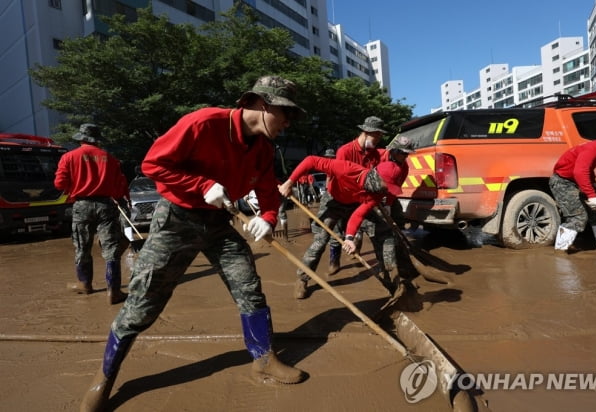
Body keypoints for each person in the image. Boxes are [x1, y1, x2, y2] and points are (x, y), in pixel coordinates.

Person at [80, 75, 307, 412]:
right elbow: (152, 164)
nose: (287, 123)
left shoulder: (262, 149)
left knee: (249, 287)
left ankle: (263, 358)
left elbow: (270, 194)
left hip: (219, 224)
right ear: (262, 104)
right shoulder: (204, 123)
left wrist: (268, 218)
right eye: (285, 114)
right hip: (176, 220)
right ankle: (105, 376)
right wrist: (201, 184)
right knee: (143, 303)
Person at [279, 155, 405, 299]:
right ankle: (302, 279)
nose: (387, 191)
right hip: (334, 200)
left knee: (384, 233)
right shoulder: (347, 169)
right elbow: (310, 160)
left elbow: (358, 215)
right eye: (387, 186)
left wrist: (349, 238)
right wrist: (290, 182)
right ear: (377, 178)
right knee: (321, 239)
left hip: (355, 204)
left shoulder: (376, 192)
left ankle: (391, 279)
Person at [54, 123, 130, 305]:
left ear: (81, 138)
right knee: (111, 248)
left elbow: (59, 184)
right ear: (97, 140)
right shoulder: (110, 159)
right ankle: (114, 291)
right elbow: (120, 187)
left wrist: (77, 186)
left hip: (82, 205)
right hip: (106, 205)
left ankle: (85, 284)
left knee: (82, 245)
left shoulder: (69, 157)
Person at [326, 116, 386, 276]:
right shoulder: (344, 151)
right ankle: (333, 261)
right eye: (377, 135)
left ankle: (386, 267)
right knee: (336, 232)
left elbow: (372, 178)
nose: (379, 140)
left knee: (374, 228)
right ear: (366, 132)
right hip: (339, 197)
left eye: (380, 136)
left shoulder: (375, 155)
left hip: (359, 198)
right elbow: (341, 180)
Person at [550, 129, 596, 252]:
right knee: (578, 217)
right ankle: (561, 252)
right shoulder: (593, 149)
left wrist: (592, 183)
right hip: (564, 182)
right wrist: (591, 196)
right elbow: (579, 172)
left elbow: (587, 168)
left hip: (575, 181)